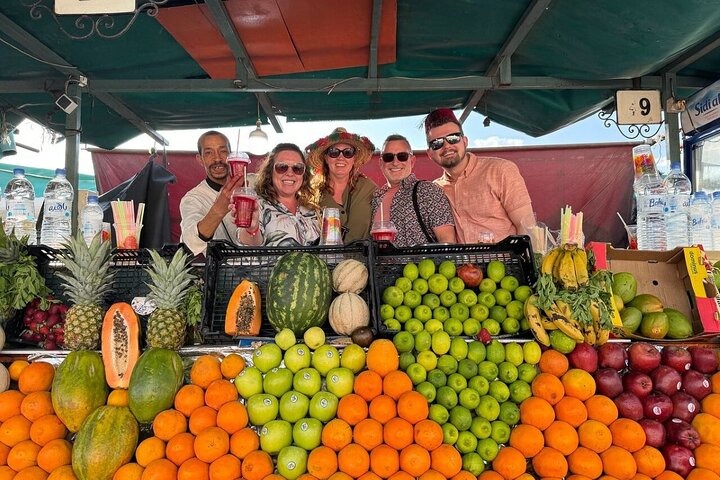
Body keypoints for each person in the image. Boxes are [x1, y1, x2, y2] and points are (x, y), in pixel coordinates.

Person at [424, 108, 535, 243]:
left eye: (453, 138)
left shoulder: (500, 170)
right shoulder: (435, 190)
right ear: (430, 154)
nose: (447, 146)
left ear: (465, 141)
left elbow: (527, 227)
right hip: (462, 258)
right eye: (437, 143)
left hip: (505, 256)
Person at [371, 134, 456, 246]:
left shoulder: (428, 191)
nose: (395, 162)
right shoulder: (375, 198)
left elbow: (448, 243)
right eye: (388, 157)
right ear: (381, 163)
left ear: (412, 161)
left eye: (402, 156)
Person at [236, 143, 321, 246]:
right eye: (282, 167)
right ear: (270, 172)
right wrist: (251, 230)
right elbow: (248, 245)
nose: (290, 173)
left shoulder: (313, 210)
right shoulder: (256, 205)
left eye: (297, 168)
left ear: (304, 173)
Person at [305, 127, 377, 243]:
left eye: (348, 152)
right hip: (325, 255)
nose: (341, 158)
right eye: (334, 152)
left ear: (354, 158)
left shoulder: (369, 188)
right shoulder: (312, 193)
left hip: (363, 255)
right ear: (326, 158)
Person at [180, 130, 246, 255]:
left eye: (223, 151)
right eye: (209, 153)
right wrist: (219, 209)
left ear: (231, 155)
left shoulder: (252, 183)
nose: (217, 158)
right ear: (200, 159)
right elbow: (190, 242)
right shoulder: (193, 198)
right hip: (222, 266)